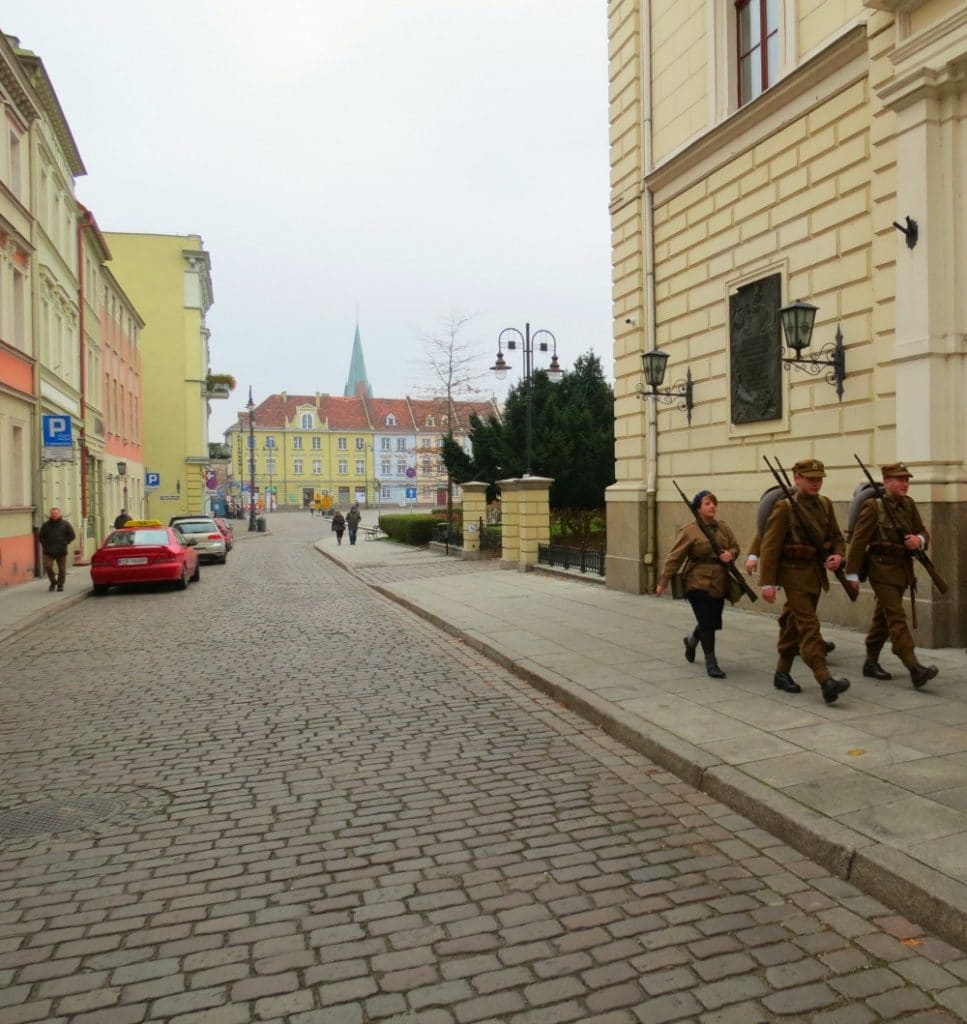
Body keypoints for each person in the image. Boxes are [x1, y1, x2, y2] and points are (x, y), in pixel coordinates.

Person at [759, 459, 850, 704]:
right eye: (810, 479)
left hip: (815, 576)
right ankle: (825, 680)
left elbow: (836, 537)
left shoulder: (825, 505)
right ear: (797, 478)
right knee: (809, 627)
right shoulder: (784, 508)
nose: (816, 483)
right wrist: (767, 582)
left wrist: (838, 556)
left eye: (819, 479)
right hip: (793, 575)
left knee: (792, 624)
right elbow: (770, 545)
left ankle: (782, 672)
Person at [845, 462, 938, 688]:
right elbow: (858, 542)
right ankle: (914, 667)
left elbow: (922, 531)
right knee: (896, 617)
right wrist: (852, 575)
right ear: (887, 482)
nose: (905, 484)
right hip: (881, 570)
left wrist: (920, 540)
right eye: (900, 480)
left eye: (907, 480)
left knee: (883, 618)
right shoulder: (873, 507)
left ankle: (870, 661)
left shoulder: (908, 505)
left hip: (902, 571)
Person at [656, 490, 739, 679]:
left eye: (714, 503)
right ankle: (712, 662)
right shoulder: (689, 530)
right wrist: (663, 582)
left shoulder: (723, 528)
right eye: (707, 503)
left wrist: (730, 554)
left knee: (710, 620)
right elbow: (674, 557)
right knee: (708, 623)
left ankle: (692, 641)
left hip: (719, 582)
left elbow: (735, 547)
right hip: (697, 582)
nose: (712, 506)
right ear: (698, 508)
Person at [37, 507, 76, 592]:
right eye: (53, 513)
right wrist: (45, 545)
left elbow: (72, 535)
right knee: (47, 566)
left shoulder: (65, 524)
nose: (54, 515)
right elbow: (41, 537)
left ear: (60, 514)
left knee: (62, 569)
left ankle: (60, 585)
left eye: (56, 513)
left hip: (61, 550)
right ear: (50, 515)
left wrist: (65, 542)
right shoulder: (46, 525)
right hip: (48, 550)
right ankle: (53, 582)